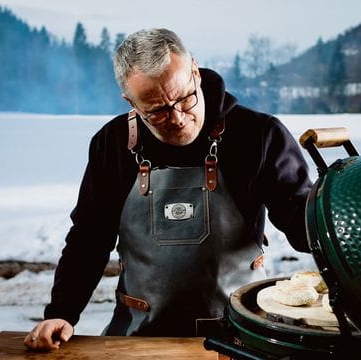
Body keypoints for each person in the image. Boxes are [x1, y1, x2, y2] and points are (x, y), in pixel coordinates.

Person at [25, 28, 312, 350]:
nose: (176, 118)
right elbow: (89, 237)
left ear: (194, 70)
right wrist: (62, 312)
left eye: (184, 98)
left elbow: (303, 221)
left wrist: (343, 228)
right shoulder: (113, 143)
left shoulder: (259, 135)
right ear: (131, 102)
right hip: (138, 338)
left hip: (240, 338)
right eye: (157, 111)